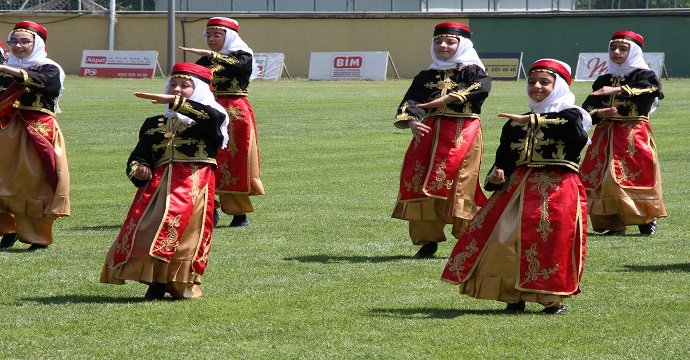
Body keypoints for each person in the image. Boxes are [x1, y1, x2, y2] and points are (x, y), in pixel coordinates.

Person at [440, 59, 590, 315]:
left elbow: (575, 134)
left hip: (556, 190)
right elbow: (503, 160)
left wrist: (531, 120)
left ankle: (552, 300)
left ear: (560, 86)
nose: (537, 87)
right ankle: (511, 295)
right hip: (516, 190)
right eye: (532, 82)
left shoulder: (575, 114)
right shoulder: (513, 124)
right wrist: (497, 175)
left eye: (545, 82)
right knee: (503, 240)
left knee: (550, 242)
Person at [100, 62, 229, 300]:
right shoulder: (152, 125)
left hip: (193, 185)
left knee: (185, 236)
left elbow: (212, 120)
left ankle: (180, 283)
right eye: (174, 84)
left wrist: (177, 102)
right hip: (157, 189)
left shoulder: (210, 119)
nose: (177, 89)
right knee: (147, 231)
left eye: (185, 85)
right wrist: (139, 169)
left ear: (199, 89)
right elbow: (139, 155)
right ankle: (154, 282)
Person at [392, 22, 490, 259]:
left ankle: (467, 239)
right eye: (438, 41)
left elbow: (482, 88)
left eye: (449, 41)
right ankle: (427, 241)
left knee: (460, 184)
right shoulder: (425, 75)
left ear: (462, 44)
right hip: (428, 132)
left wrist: (448, 99)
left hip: (462, 132)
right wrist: (412, 121)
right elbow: (411, 101)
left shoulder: (473, 71)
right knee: (420, 180)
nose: (443, 46)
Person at [579, 30, 666, 236]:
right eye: (613, 48)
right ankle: (614, 223)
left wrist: (617, 90)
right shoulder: (604, 79)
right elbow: (587, 107)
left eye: (623, 49)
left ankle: (646, 218)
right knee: (602, 179)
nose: (616, 52)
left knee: (633, 177)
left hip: (632, 133)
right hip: (604, 134)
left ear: (633, 52)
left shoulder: (644, 75)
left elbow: (653, 90)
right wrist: (600, 112)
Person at [180, 17, 264, 228]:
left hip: (235, 113)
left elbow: (239, 67)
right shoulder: (205, 62)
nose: (211, 39)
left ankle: (239, 213)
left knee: (234, 162)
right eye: (208, 35)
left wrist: (213, 56)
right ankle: (210, 208)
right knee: (206, 159)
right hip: (209, 111)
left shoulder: (243, 55)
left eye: (217, 34)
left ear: (229, 36)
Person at [0, 21, 69, 250]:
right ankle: (8, 229)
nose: (18, 46)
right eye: (14, 41)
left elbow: (43, 84)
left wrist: (11, 71)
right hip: (7, 130)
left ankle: (36, 236)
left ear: (36, 43)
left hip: (37, 131)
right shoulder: (5, 68)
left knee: (34, 184)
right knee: (4, 181)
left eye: (24, 41)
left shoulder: (49, 68)